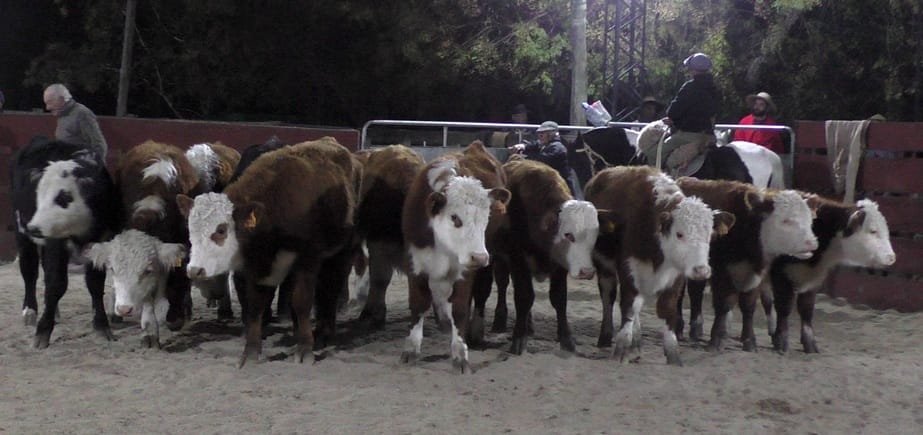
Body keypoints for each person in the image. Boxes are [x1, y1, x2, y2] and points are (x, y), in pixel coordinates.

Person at [645, 53, 720, 176]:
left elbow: (673, 112)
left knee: (654, 154)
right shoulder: (715, 88)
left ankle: (660, 183)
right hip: (709, 134)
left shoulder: (690, 87)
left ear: (693, 69)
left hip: (688, 135)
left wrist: (673, 119)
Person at [509, 120, 582, 199]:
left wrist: (523, 157)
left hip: (561, 189)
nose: (540, 136)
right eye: (539, 134)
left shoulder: (558, 147)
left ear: (552, 134)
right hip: (550, 187)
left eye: (543, 134)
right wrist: (522, 146)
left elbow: (543, 159)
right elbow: (534, 145)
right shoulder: (545, 144)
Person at [43, 83, 108, 160]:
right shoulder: (62, 115)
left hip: (80, 167)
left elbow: (99, 145)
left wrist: (91, 167)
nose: (47, 107)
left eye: (50, 102)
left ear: (61, 99)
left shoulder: (82, 114)